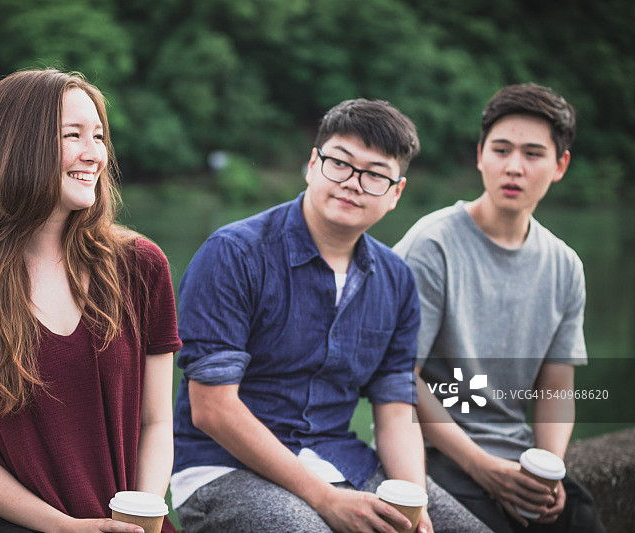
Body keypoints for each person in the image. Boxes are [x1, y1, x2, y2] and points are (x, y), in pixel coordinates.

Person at [171, 98, 491, 532]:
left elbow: (396, 409)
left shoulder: (395, 279)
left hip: (341, 459)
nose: (353, 183)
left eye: (375, 174)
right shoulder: (235, 254)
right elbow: (212, 410)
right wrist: (326, 499)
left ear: (396, 193)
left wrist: (414, 507)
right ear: (312, 165)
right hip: (224, 468)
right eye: (340, 163)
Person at [0, 69, 182, 533]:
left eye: (99, 136)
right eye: (72, 135)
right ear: (18, 145)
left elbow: (156, 421)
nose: (94, 153)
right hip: (15, 523)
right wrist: (64, 527)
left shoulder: (141, 267)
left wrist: (138, 515)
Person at [393, 83, 606, 533]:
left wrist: (549, 471)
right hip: (433, 453)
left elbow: (556, 387)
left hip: (516, 451)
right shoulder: (433, 245)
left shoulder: (565, 265)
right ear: (479, 155)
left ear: (560, 164)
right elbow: (398, 377)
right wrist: (482, 466)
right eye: (502, 149)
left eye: (532, 154)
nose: (514, 167)